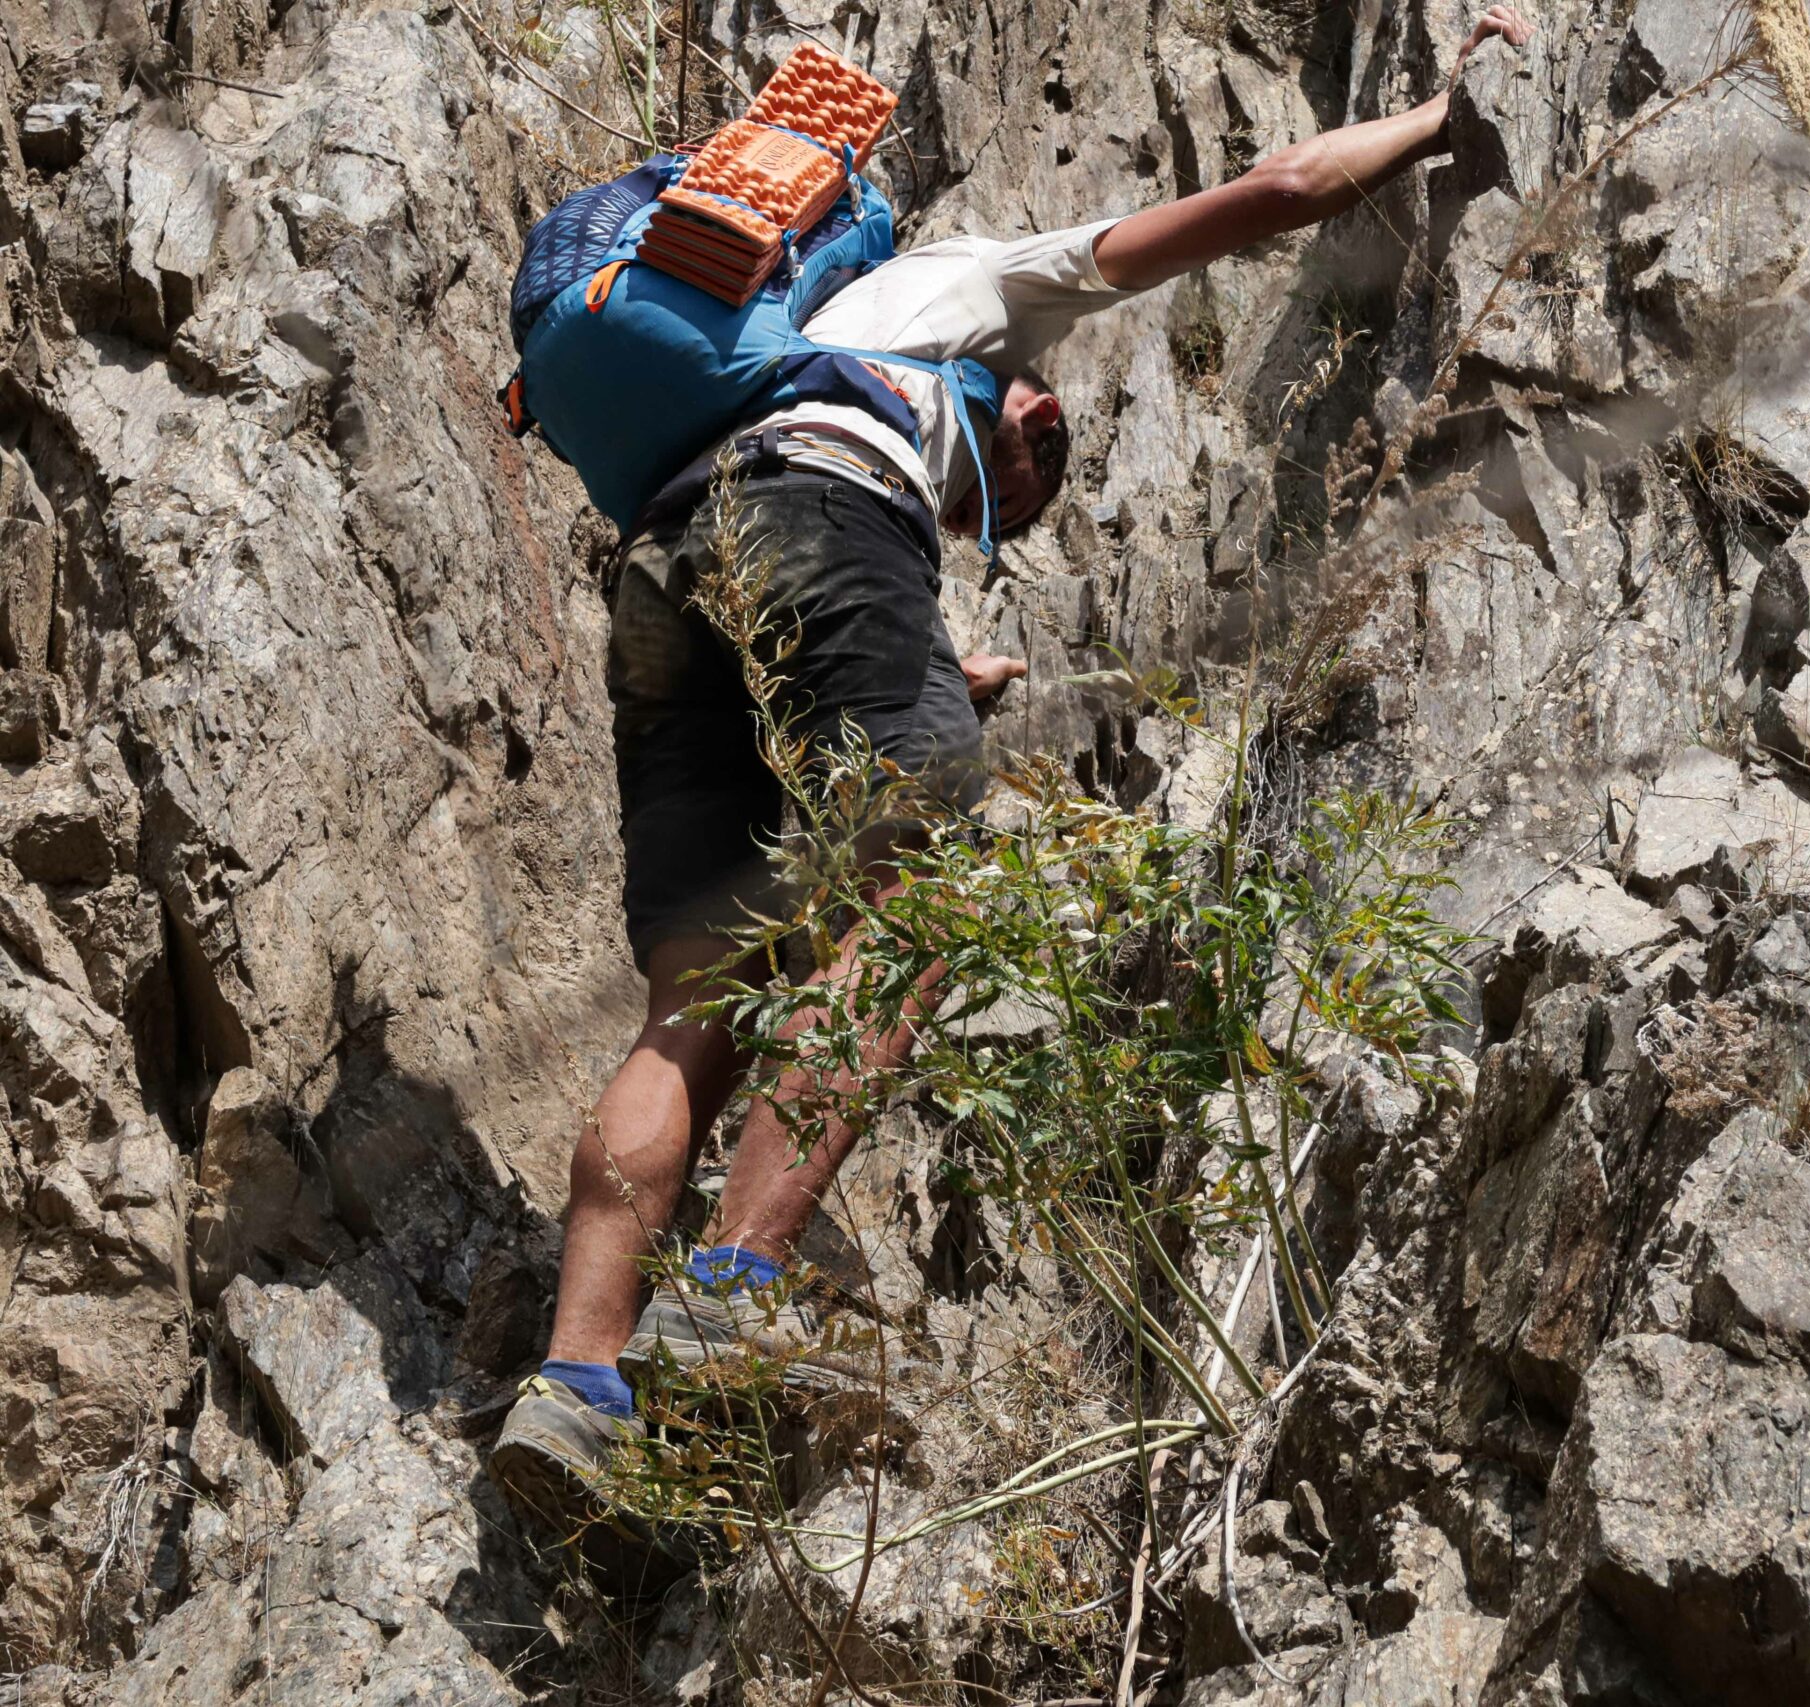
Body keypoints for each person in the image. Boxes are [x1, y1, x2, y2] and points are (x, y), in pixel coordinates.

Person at [492, 6, 1533, 1529]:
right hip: (816, 521)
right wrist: (1440, 117)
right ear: (1029, 413)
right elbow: (1281, 186)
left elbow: (820, 626)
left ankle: (573, 1387)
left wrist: (929, 680)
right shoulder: (979, 292)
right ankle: (727, 1295)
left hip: (666, 562)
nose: (1010, 507)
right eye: (1025, 492)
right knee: (918, 906)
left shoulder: (814, 341)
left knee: (692, 1002)